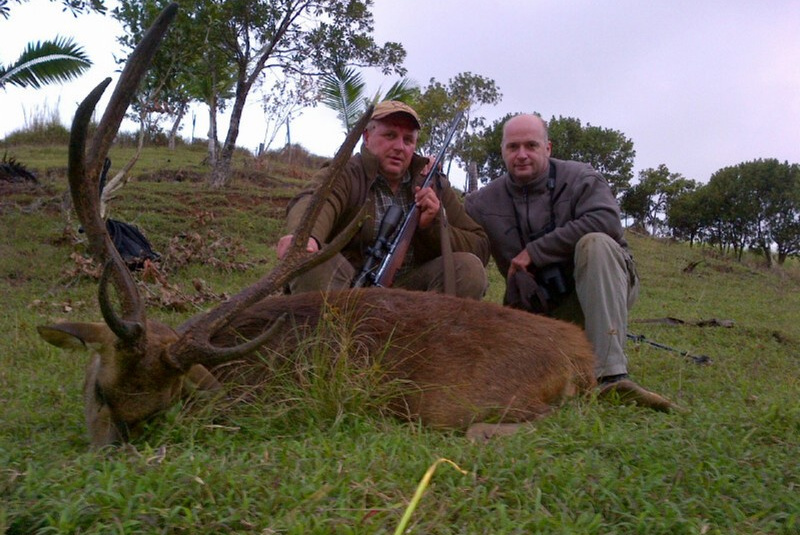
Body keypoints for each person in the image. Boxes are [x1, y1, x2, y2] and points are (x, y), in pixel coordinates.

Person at [465, 113, 671, 403]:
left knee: (595, 243)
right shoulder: (481, 203)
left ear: (548, 148)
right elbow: (462, 240)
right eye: (513, 147)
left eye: (531, 146)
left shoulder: (581, 177)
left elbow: (606, 221)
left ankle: (610, 377)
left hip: (601, 287)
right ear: (503, 151)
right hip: (541, 306)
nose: (521, 155)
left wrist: (534, 252)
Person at [276, 100, 489, 298]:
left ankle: (423, 337)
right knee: (307, 256)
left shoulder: (432, 183)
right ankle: (333, 332)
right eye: (390, 135)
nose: (399, 147)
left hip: (410, 298)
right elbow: (316, 200)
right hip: (347, 290)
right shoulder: (346, 172)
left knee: (468, 268)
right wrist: (306, 237)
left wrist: (434, 226)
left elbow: (479, 245)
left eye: (408, 140)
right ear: (367, 138)